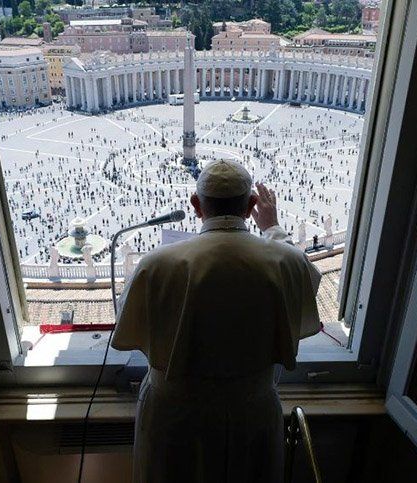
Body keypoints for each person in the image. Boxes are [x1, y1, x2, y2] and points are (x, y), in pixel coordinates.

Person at [111, 159, 322, 483]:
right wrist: (273, 228)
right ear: (252, 205)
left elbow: (129, 326)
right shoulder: (286, 261)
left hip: (174, 419)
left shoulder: (154, 265)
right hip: (252, 417)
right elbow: (307, 277)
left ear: (196, 205)